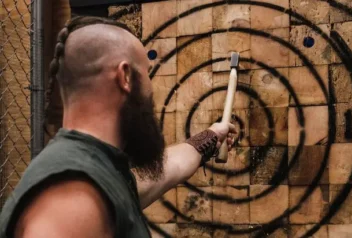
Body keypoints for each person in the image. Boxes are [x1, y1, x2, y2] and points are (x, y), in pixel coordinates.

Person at [0, 16, 236, 238]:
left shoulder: (101, 170)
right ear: (125, 76)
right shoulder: (72, 196)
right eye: (146, 73)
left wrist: (211, 137)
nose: (150, 90)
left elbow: (168, 169)